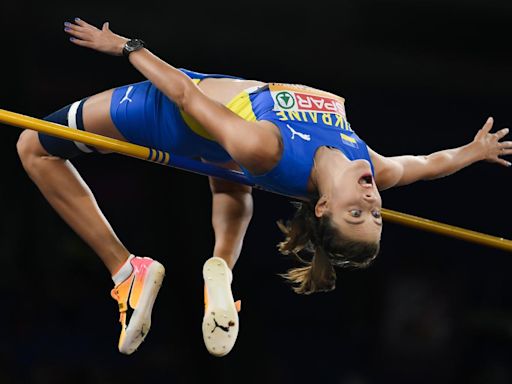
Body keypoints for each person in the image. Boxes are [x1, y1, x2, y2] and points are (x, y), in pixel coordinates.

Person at [15, 18, 512, 357]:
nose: (370, 203)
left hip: (165, 110)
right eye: (376, 215)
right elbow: (425, 163)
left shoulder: (268, 147)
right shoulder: (372, 167)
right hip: (223, 136)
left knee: (32, 147)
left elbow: (184, 94)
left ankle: (126, 269)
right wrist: (473, 152)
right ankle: (220, 268)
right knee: (229, 174)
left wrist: (124, 47)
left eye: (355, 215)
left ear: (322, 207)